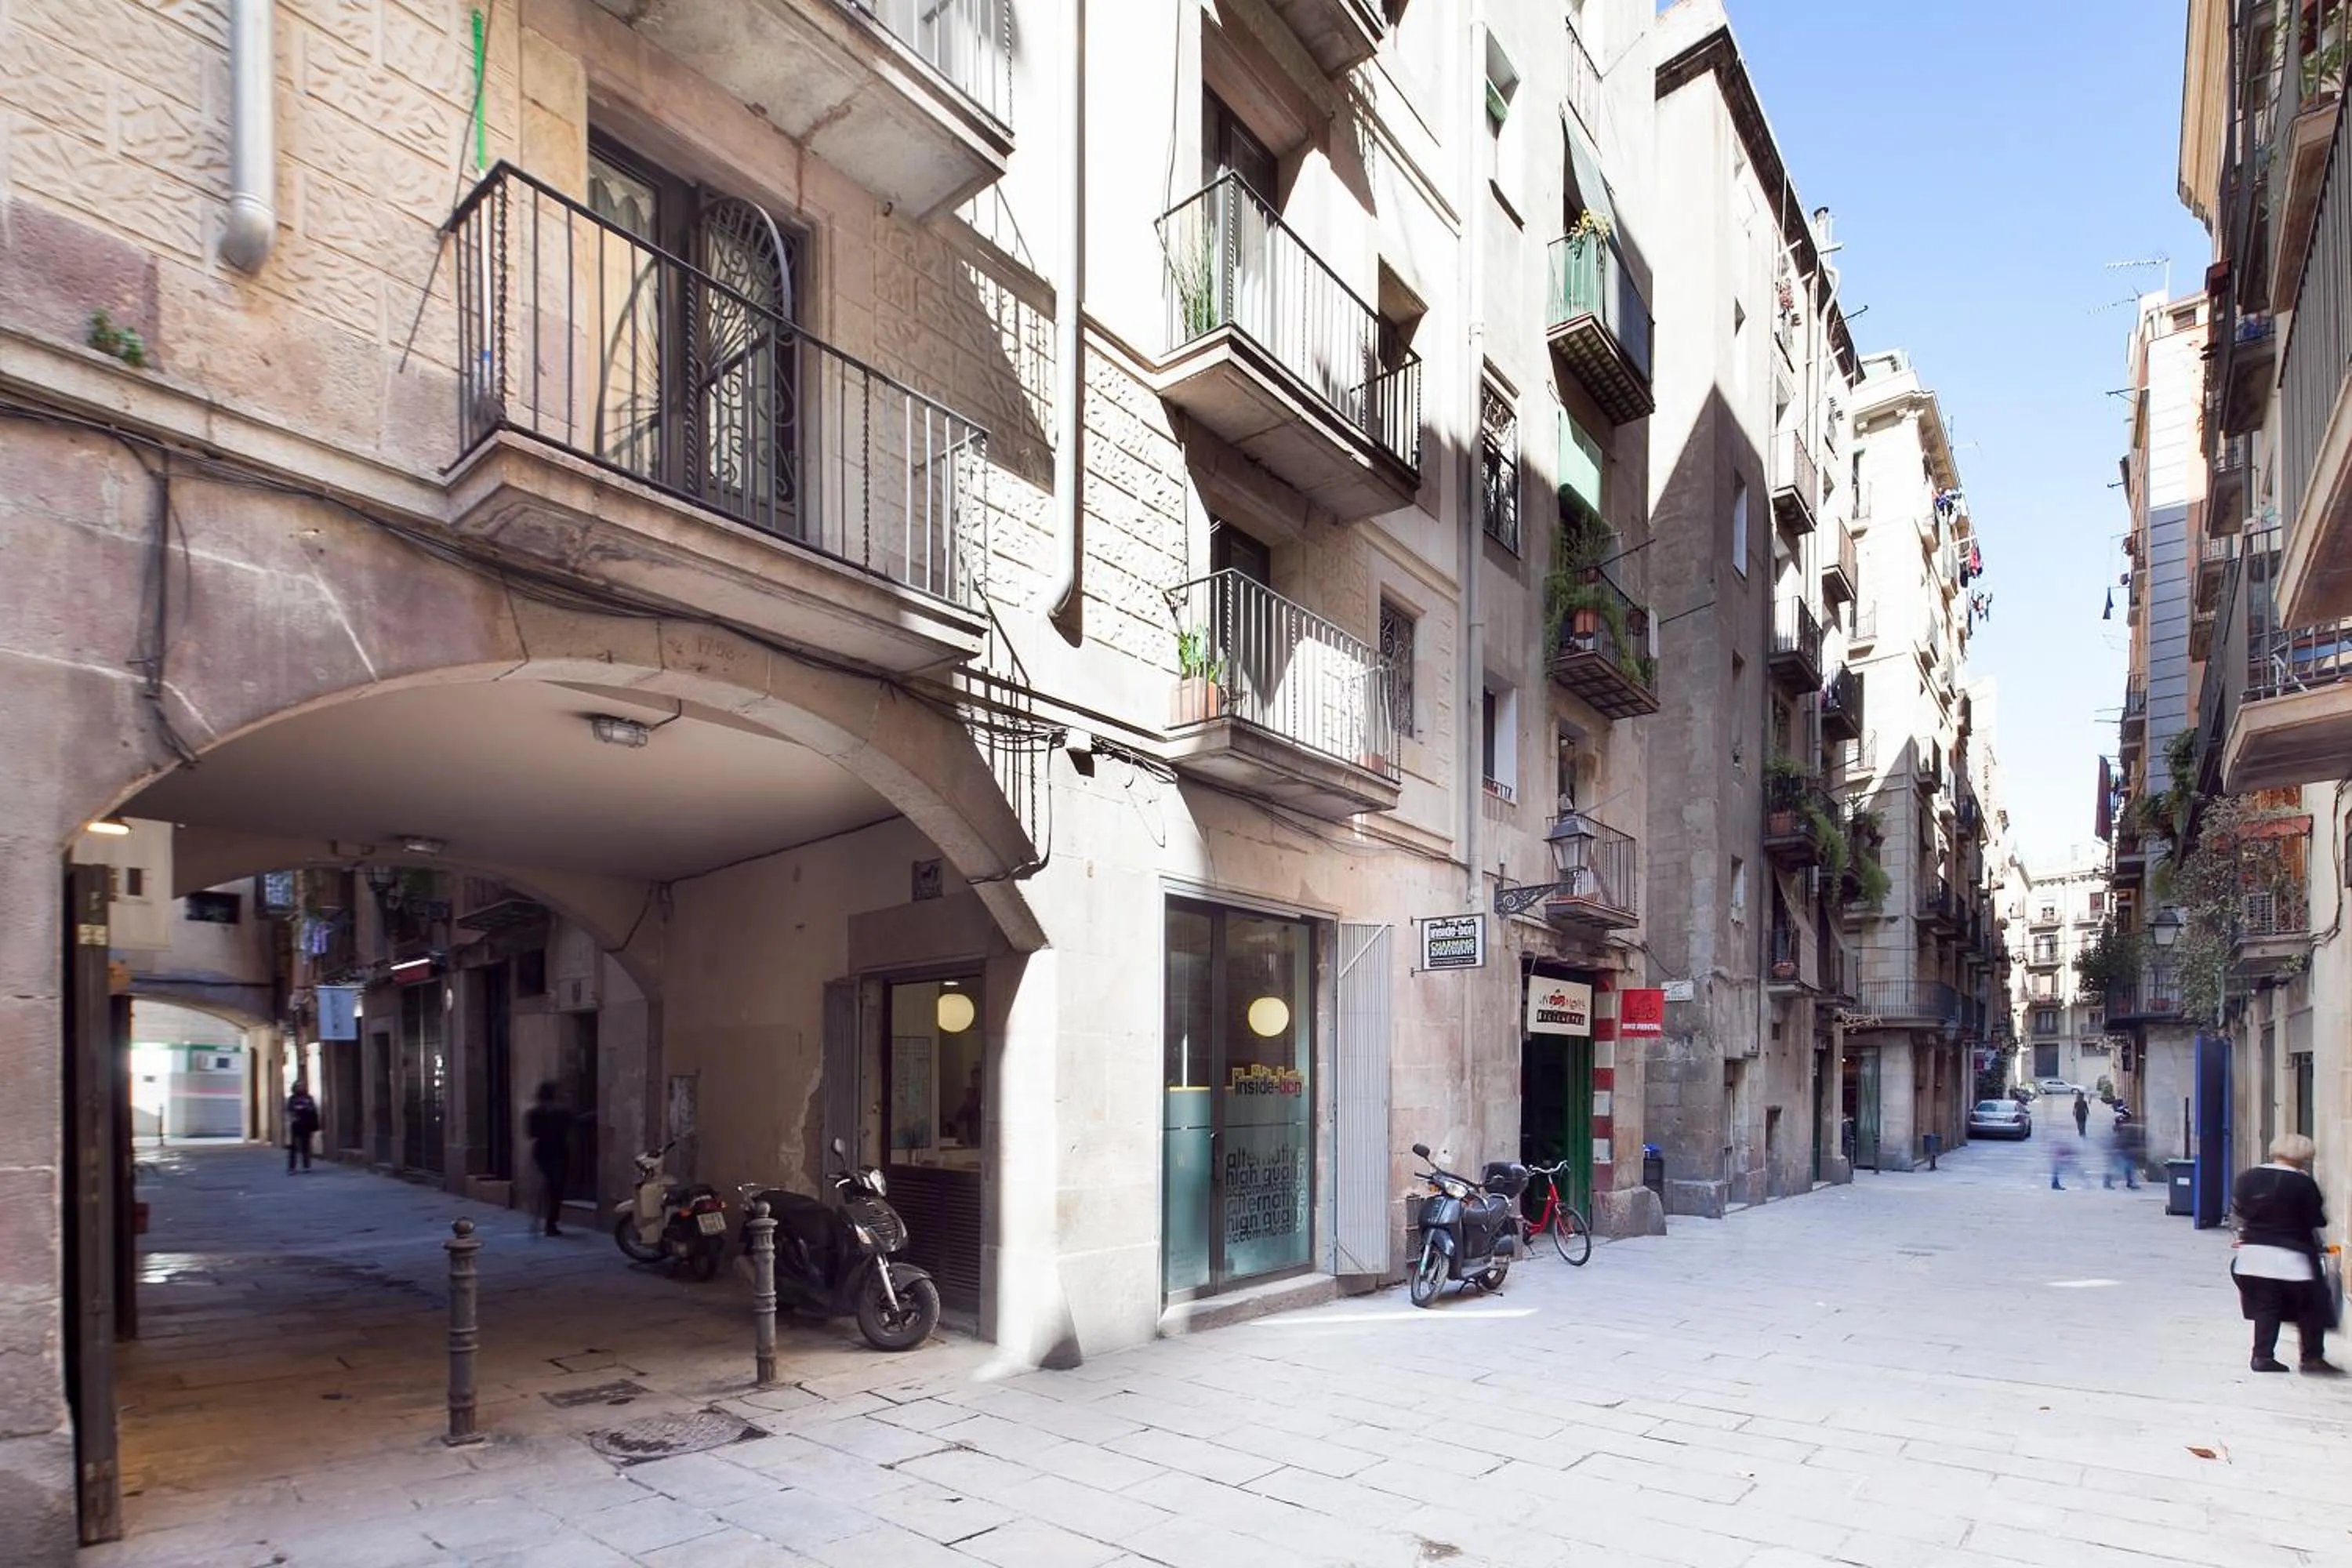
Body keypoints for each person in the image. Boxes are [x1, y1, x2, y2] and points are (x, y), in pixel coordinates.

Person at [2230, 1133, 2342, 1375]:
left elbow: (2240, 1209)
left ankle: (2262, 1356)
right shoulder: (2303, 1184)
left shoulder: (2249, 1177)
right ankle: (2312, 1358)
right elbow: (2317, 1219)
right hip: (2291, 1256)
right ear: (2304, 1157)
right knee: (2310, 1306)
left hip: (2253, 1253)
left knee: (2266, 1306)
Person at [524, 1082, 574, 1238]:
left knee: (553, 1185)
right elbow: (575, 1123)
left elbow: (531, 1134)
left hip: (543, 1150)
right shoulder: (562, 1112)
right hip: (557, 1150)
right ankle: (551, 1223)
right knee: (556, 1187)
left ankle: (549, 1221)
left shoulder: (534, 1113)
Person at [2103, 1105, 2143, 1191]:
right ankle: (2109, 1181)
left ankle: (2128, 1182)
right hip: (2121, 1148)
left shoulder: (2122, 1125)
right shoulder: (2122, 1125)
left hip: (2121, 1148)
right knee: (2125, 1166)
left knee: (2126, 1166)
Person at [285, 1080, 320, 1174]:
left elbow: (313, 1110)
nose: (301, 1088)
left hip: (306, 1124)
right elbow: (290, 1110)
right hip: (296, 1125)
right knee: (293, 1147)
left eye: (302, 1086)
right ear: (295, 1088)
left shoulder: (308, 1098)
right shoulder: (292, 1099)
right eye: (299, 1086)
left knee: (306, 1146)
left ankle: (306, 1166)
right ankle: (292, 1167)